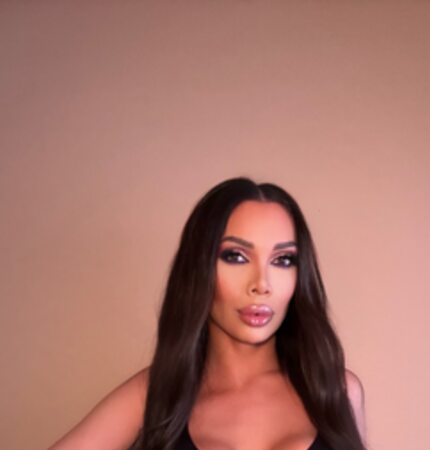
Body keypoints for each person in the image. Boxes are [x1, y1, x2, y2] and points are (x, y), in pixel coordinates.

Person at [49, 177, 367, 450]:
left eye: (283, 260)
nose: (262, 284)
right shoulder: (154, 394)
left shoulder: (338, 391)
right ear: (198, 269)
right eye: (236, 256)